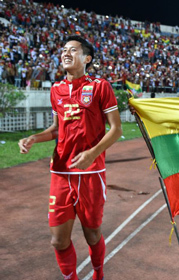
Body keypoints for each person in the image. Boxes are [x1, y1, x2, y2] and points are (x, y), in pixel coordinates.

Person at [18, 35, 122, 280]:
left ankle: (98, 273)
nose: (65, 53)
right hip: (61, 173)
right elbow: (56, 129)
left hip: (91, 174)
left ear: (87, 58)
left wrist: (92, 153)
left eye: (73, 50)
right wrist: (34, 137)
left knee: (92, 235)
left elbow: (116, 129)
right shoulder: (56, 89)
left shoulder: (100, 86)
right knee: (57, 241)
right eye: (64, 49)